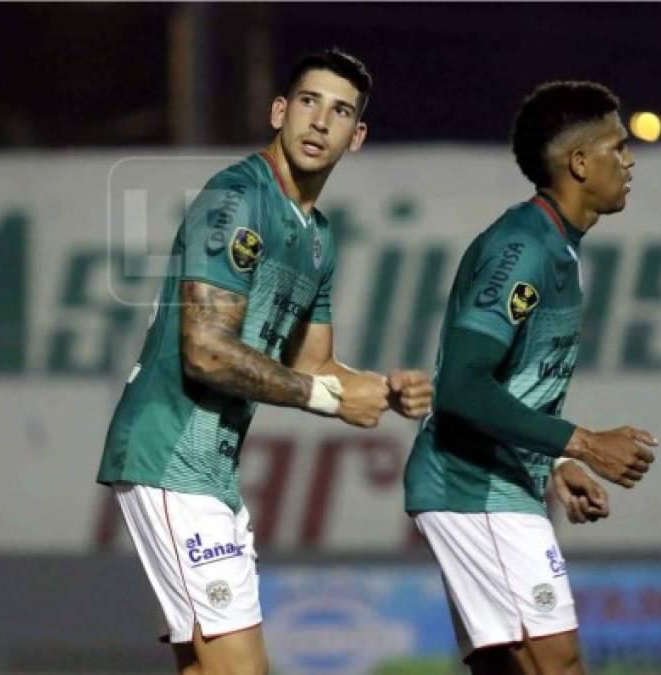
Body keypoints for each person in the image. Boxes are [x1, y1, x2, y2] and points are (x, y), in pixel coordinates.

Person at [97, 48, 432, 675]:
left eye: (339, 112)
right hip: (169, 455)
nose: (319, 122)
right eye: (308, 102)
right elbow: (205, 351)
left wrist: (382, 391)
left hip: (210, 472)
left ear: (356, 137)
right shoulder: (237, 200)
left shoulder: (317, 235)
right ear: (280, 110)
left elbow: (319, 364)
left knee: (205, 667)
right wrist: (330, 399)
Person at [403, 81, 658, 675]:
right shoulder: (522, 248)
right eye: (617, 147)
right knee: (557, 665)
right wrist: (586, 442)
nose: (630, 159)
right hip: (473, 488)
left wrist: (554, 464)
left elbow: (510, 386)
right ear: (578, 162)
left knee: (514, 669)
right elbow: (463, 387)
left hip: (499, 484)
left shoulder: (556, 246)